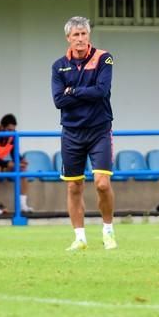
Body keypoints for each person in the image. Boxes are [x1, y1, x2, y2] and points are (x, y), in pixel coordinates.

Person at [51, 16, 117, 251]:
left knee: (101, 183)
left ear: (89, 36)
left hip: (99, 130)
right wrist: (77, 93)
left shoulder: (103, 58)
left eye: (83, 34)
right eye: (75, 35)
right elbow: (59, 100)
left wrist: (73, 91)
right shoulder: (58, 66)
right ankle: (79, 238)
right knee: (74, 186)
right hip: (71, 132)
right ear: (68, 38)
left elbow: (101, 91)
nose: (80, 39)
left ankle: (108, 231)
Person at [0, 114, 34, 215]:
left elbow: (14, 153)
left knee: (22, 170)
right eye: (9, 130)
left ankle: (22, 205)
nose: (11, 133)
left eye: (13, 130)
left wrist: (21, 160)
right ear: (1, 127)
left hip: (0, 163)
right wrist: (7, 164)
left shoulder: (12, 136)